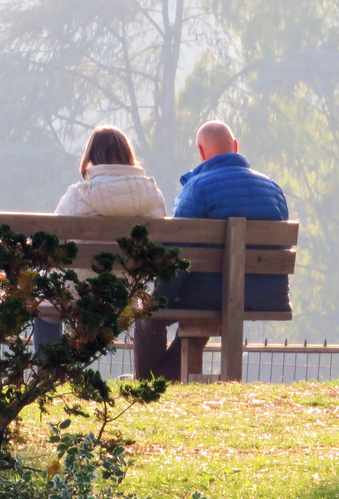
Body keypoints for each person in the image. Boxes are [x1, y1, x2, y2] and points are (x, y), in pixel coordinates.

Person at [133, 120, 290, 380]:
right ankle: (157, 383)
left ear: (201, 151)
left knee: (148, 317)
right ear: (235, 147)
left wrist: (158, 300)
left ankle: (148, 387)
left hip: (212, 294)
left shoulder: (197, 188)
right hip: (266, 295)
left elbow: (177, 253)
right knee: (196, 323)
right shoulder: (273, 190)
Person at [35, 126, 166, 347]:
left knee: (45, 309)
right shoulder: (153, 196)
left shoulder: (78, 195)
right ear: (127, 154)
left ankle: (46, 375)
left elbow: (50, 245)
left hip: (78, 292)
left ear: (91, 156)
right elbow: (157, 246)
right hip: (128, 293)